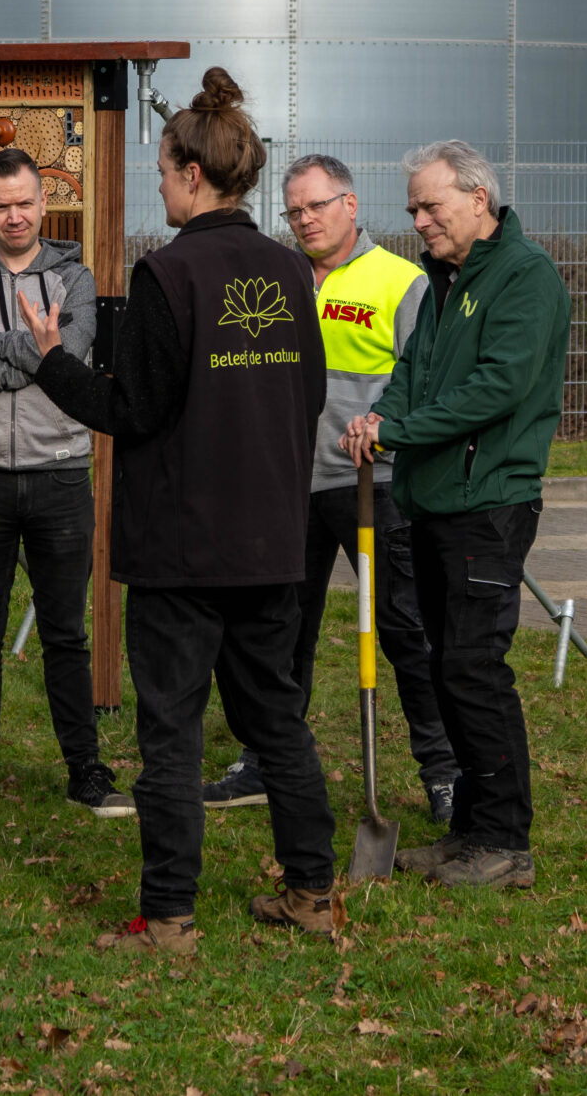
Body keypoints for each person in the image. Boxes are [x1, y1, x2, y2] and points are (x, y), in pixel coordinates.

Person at [19, 67, 337, 956]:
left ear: (194, 175)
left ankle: (167, 918)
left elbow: (133, 407)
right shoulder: (292, 269)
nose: (158, 186)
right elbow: (309, 394)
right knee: (278, 722)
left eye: (162, 171)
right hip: (271, 542)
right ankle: (313, 891)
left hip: (182, 551)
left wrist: (52, 360)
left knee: (170, 734)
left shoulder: (168, 274)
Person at [341, 140, 571, 890]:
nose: (418, 220)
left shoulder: (525, 277)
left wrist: (399, 432)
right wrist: (381, 419)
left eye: (430, 206)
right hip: (434, 501)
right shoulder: (444, 280)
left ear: (478, 198)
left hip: (489, 504)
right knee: (446, 667)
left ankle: (506, 840)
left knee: (474, 669)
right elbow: (412, 372)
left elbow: (499, 386)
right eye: (413, 208)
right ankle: (470, 829)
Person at [204, 154, 460, 822]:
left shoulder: (402, 282)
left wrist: (387, 432)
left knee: (405, 630)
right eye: (293, 210)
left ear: (350, 204)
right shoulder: (277, 279)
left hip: (374, 484)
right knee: (280, 632)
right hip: (287, 487)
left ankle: (444, 770)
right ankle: (266, 760)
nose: (304, 220)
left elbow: (425, 382)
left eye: (316, 205)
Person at [0, 147, 131, 818]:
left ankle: (85, 770)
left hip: (60, 475)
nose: (13, 216)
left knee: (65, 634)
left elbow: (72, 351)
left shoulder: (76, 278)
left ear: (44, 204)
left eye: (24, 203)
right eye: (0, 206)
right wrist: (36, 353)